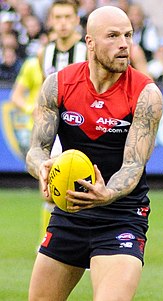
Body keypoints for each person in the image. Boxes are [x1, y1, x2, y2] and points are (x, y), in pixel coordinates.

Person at [26, 5, 163, 301]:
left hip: (121, 216)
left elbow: (133, 166)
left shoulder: (146, 94)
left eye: (128, 35)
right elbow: (36, 149)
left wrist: (107, 192)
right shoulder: (58, 85)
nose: (124, 44)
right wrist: (42, 168)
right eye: (113, 36)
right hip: (70, 212)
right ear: (90, 43)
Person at [38, 0, 88, 240]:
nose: (63, 23)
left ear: (77, 20)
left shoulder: (87, 51)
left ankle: (87, 239)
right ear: (51, 20)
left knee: (83, 187)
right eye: (58, 17)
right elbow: (44, 94)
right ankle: (50, 240)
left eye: (68, 17)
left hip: (85, 126)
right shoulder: (44, 52)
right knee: (49, 190)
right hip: (57, 128)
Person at [10, 56, 43, 158]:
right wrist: (31, 109)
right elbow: (15, 96)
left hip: (60, 128)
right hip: (34, 129)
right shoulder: (32, 65)